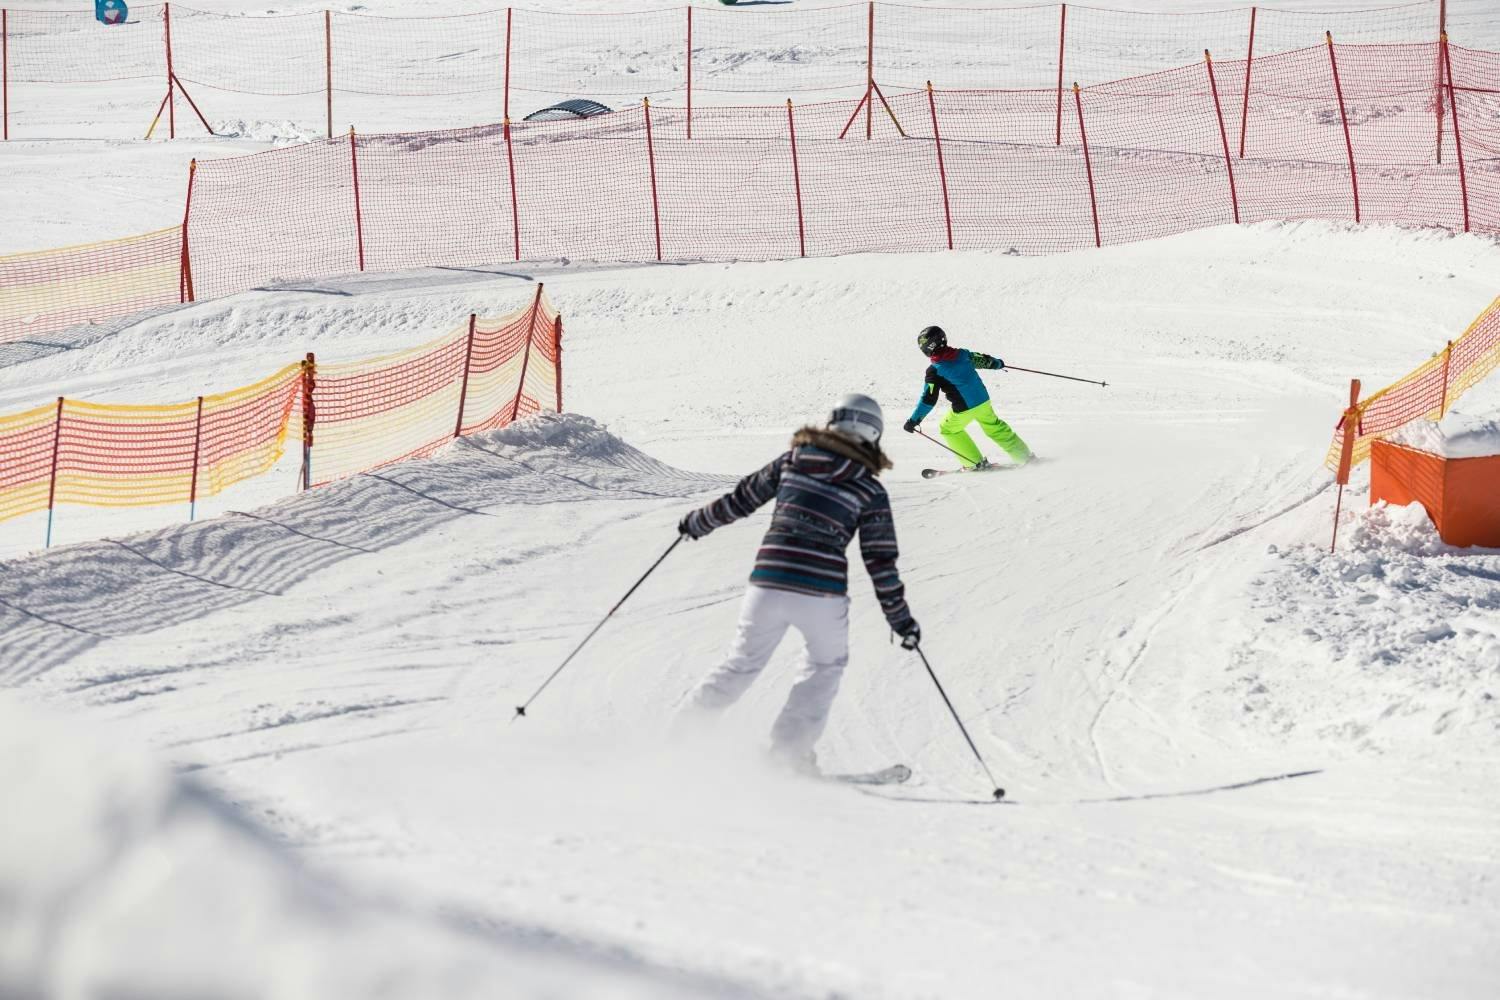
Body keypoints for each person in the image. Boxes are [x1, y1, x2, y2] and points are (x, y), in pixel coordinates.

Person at [676, 394, 920, 773]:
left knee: (742, 662)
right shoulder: (870, 490)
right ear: (873, 434)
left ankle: (680, 737)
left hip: (768, 581)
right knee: (825, 665)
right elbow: (880, 561)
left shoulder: (794, 460)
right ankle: (788, 755)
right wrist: (901, 620)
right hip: (822, 593)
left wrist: (698, 522)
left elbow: (743, 498)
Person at [902, 325, 1032, 469]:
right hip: (983, 400)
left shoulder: (935, 370)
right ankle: (1024, 457)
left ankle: (974, 464)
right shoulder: (962, 354)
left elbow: (928, 399)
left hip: (965, 407)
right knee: (994, 427)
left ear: (928, 347)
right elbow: (983, 360)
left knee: (948, 429)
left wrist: (913, 420)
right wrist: (998, 363)